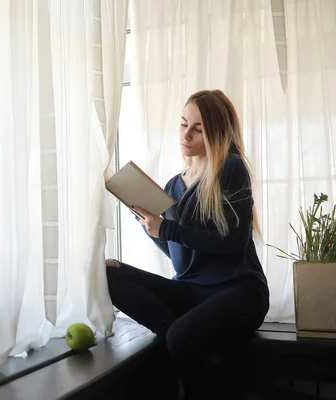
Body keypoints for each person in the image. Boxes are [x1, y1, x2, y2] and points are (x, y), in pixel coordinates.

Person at [105, 90, 269, 400]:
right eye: (183, 124)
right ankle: (180, 338)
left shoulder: (230, 170)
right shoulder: (172, 185)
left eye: (198, 128)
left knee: (181, 337)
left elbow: (233, 243)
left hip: (239, 291)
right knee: (110, 274)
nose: (186, 134)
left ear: (216, 133)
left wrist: (167, 227)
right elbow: (183, 261)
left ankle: (181, 341)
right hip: (193, 291)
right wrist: (152, 228)